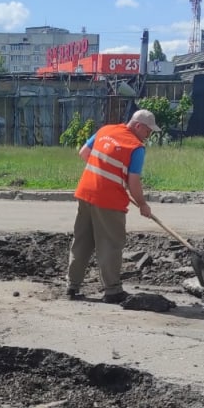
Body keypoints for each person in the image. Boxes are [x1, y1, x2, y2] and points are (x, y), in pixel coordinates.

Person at [66, 109, 160, 304]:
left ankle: (72, 286)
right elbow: (133, 181)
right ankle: (112, 291)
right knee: (110, 244)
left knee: (82, 241)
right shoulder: (135, 147)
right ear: (138, 126)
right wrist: (142, 204)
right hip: (108, 201)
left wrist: (106, 173)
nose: (148, 136)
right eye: (148, 131)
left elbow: (84, 153)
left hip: (85, 192)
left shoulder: (105, 130)